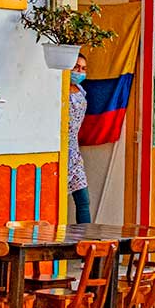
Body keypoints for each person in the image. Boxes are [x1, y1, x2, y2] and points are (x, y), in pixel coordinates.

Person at [67, 53, 91, 224]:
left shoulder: (81, 91)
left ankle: (85, 240)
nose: (79, 71)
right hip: (62, 149)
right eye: (76, 67)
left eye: (83, 68)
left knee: (83, 200)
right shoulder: (60, 91)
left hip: (74, 150)